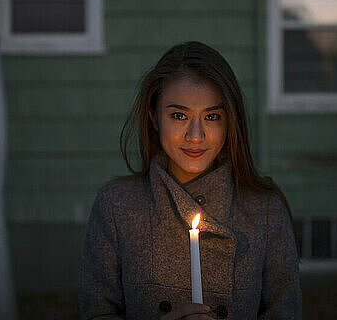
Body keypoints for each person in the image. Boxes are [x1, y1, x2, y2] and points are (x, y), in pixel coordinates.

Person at [79, 41, 302, 319]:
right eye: (179, 115)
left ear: (229, 121)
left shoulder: (265, 210)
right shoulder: (117, 205)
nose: (196, 135)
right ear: (155, 118)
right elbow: (97, 312)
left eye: (211, 116)